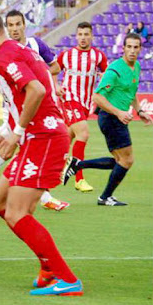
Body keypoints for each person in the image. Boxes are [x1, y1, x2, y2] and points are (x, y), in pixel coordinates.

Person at [0, 9, 82, 296]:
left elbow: (36, 91)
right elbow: (33, 94)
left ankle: (67, 279)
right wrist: (7, 134)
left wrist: (16, 132)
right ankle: (47, 268)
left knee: (17, 213)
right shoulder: (15, 50)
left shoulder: (6, 56)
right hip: (36, 136)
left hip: (44, 138)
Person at [0, 10, 67, 211]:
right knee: (13, 154)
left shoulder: (35, 46)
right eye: (10, 25)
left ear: (23, 25)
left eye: (17, 24)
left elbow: (53, 68)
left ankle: (40, 195)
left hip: (34, 113)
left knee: (10, 203)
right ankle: (40, 195)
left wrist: (41, 77)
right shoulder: (1, 54)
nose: (14, 28)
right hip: (18, 112)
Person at [63, 33, 153, 206]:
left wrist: (139, 110)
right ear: (123, 48)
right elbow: (97, 97)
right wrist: (119, 112)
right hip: (110, 118)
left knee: (121, 161)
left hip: (117, 118)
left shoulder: (137, 67)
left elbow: (131, 92)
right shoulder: (114, 70)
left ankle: (79, 165)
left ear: (140, 49)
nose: (133, 51)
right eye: (129, 47)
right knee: (127, 160)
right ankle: (104, 197)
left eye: (136, 47)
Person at [56, 22, 108, 192]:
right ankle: (79, 178)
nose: (83, 37)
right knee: (84, 133)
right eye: (80, 34)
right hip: (70, 99)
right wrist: (56, 86)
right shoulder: (66, 55)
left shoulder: (99, 56)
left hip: (85, 104)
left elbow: (107, 77)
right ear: (76, 36)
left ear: (91, 36)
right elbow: (51, 71)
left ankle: (48, 179)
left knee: (64, 141)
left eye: (86, 34)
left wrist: (104, 79)